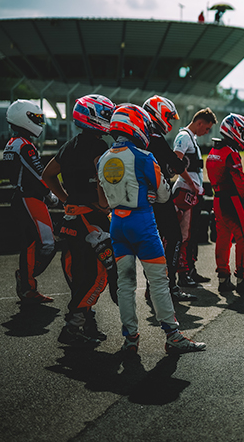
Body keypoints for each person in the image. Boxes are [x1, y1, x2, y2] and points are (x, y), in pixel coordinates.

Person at [98, 104, 206, 354]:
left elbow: (103, 201)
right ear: (135, 126)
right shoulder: (144, 157)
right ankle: (173, 336)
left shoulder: (103, 159)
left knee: (125, 284)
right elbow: (164, 195)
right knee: (158, 280)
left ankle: (130, 339)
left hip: (117, 224)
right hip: (143, 223)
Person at [43, 94, 117, 346]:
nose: (110, 118)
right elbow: (102, 183)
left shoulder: (69, 145)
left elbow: (47, 175)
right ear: (92, 116)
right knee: (97, 276)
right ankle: (73, 328)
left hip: (71, 219)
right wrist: (104, 205)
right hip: (92, 221)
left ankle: (86, 324)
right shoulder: (101, 148)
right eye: (106, 114)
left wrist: (66, 198)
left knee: (79, 274)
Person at [142, 95, 196, 302]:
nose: (170, 122)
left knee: (152, 242)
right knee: (174, 238)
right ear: (158, 113)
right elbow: (177, 164)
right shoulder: (155, 138)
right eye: (168, 117)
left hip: (143, 197)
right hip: (158, 197)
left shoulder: (143, 136)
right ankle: (170, 286)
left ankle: (152, 287)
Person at [4, 99, 57, 303]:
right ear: (23, 118)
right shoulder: (24, 146)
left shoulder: (12, 143)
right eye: (35, 118)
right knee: (47, 245)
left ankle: (27, 284)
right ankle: (26, 281)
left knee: (31, 243)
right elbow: (40, 174)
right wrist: (51, 195)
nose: (39, 122)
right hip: (29, 198)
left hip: (21, 198)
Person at [206, 113, 244, 294]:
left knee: (223, 238)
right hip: (232, 200)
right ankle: (243, 279)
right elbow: (240, 183)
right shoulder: (231, 154)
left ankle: (223, 278)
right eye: (242, 133)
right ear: (234, 131)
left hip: (218, 199)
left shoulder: (213, 152)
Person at [172, 108, 216, 288]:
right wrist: (191, 183)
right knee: (184, 235)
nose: (207, 132)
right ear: (199, 123)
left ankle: (190, 270)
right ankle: (183, 274)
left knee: (192, 233)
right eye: (207, 128)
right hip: (185, 192)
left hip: (192, 192)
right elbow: (176, 163)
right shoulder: (183, 137)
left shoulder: (192, 138)